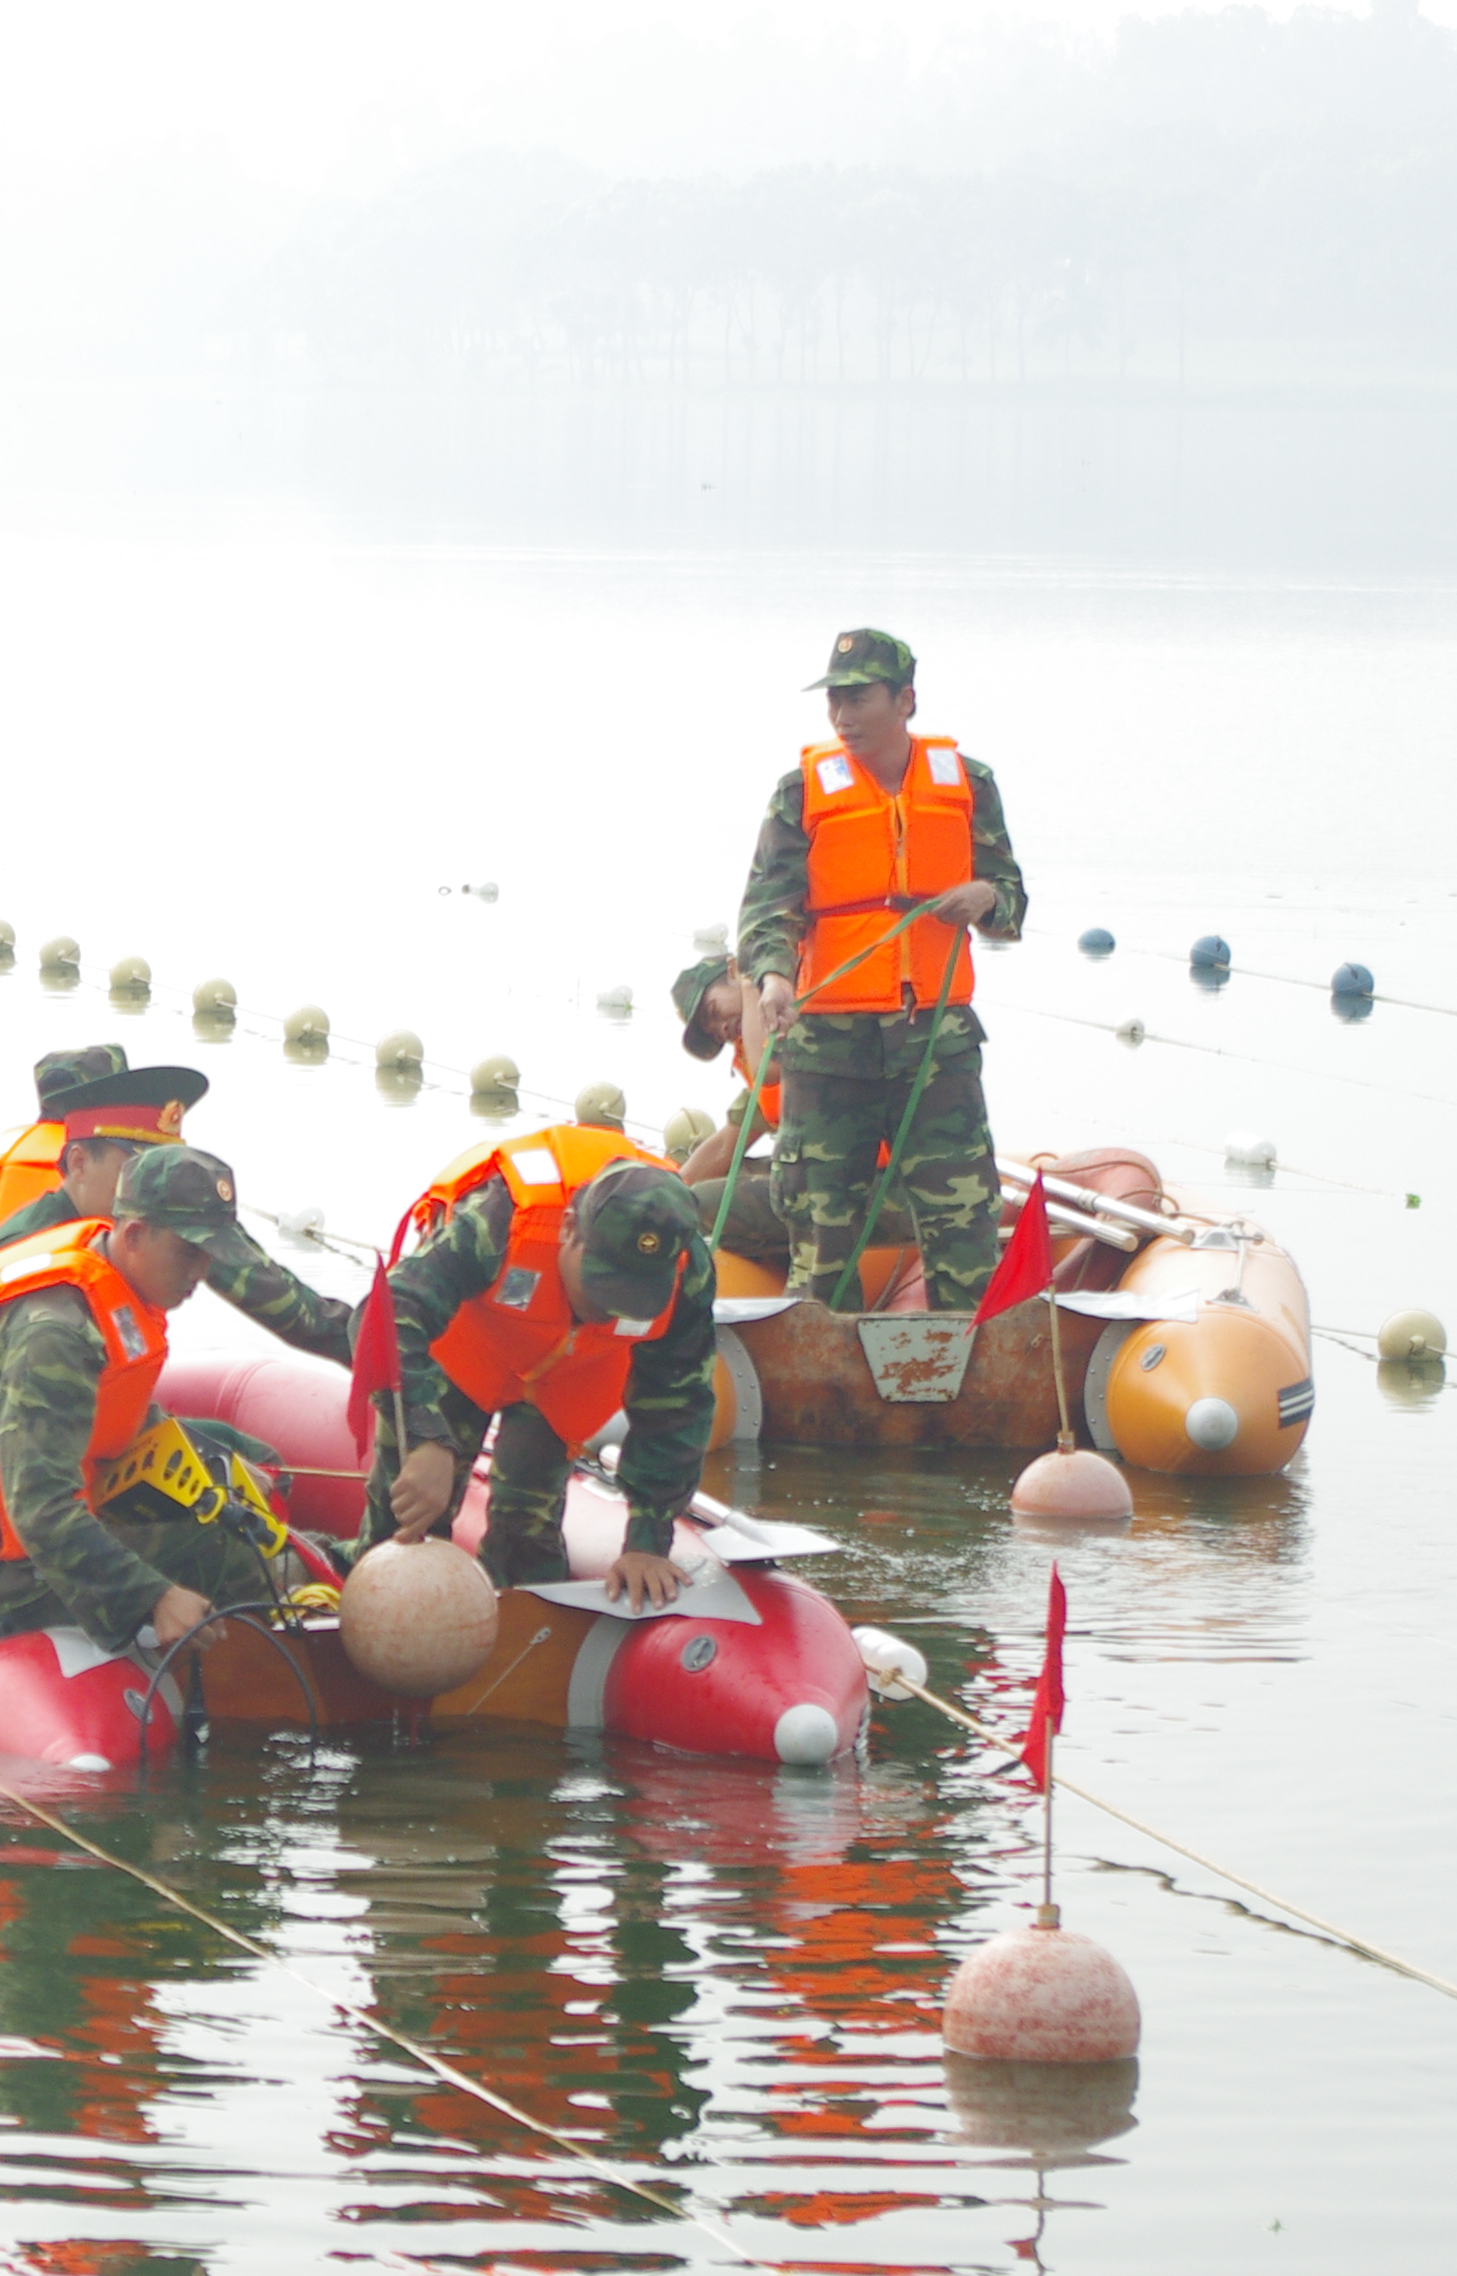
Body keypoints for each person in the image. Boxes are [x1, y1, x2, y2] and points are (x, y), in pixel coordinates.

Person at [0, 1143, 312, 1654]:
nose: (200, 1273)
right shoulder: (54, 1331)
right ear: (134, 1234)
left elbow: (113, 1419)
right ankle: (263, 1692)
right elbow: (41, 1511)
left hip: (58, 1525)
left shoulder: (113, 1277)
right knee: (229, 1555)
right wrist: (155, 1596)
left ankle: (310, 1574)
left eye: (209, 1256)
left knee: (237, 1496)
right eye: (188, 1251)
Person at [733, 626, 1027, 1311]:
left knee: (964, 1227)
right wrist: (775, 976)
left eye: (859, 698)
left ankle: (966, 1374)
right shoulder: (798, 793)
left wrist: (986, 898)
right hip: (828, 1051)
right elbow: (765, 911)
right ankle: (817, 1384)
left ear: (906, 701)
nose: (842, 716)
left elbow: (1012, 899)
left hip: (936, 1043)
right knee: (818, 1229)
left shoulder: (969, 785)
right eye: (834, 699)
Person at [0, 1047, 358, 1430]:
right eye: (138, 1161)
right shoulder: (91, 1231)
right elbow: (288, 1306)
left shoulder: (5, 1199)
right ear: (79, 1157)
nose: (152, 1174)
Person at [370, 1130, 721, 1613]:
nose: (608, 1307)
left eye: (630, 1296)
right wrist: (427, 1436)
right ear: (571, 1227)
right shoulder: (494, 1222)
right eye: (602, 1285)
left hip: (573, 1373)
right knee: (405, 1526)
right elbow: (386, 1317)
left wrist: (647, 1540)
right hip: (467, 1345)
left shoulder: (687, 1268)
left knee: (526, 1539)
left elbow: (677, 1400)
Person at [663, 948, 918, 1279]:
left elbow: (771, 1068)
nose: (720, 1028)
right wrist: (665, 1191)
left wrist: (750, 981)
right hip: (830, 1179)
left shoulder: (801, 1014)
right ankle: (774, 1261)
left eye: (714, 1010)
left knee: (702, 1201)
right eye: (711, 1031)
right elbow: (730, 1143)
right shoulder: (755, 1053)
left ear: (733, 971)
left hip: (884, 1187)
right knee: (725, 1178)